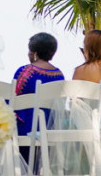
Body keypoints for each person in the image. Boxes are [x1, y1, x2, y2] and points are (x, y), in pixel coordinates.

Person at [12, 32, 65, 162]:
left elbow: (13, 100)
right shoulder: (59, 75)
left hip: (28, 128)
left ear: (35, 53)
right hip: (50, 127)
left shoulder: (25, 72)